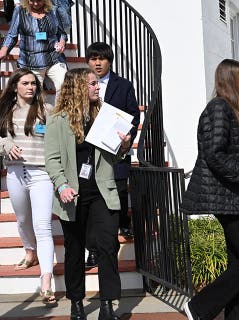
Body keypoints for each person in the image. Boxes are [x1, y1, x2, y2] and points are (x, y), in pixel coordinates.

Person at [180, 59, 239, 320]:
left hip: (233, 197)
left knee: (237, 259)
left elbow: (231, 153)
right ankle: (198, 307)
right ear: (231, 80)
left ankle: (237, 316)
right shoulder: (218, 109)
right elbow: (215, 155)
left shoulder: (229, 109)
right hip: (226, 196)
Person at [45, 68, 131, 320]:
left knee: (107, 246)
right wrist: (62, 185)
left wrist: (123, 145)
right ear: (78, 87)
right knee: (74, 250)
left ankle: (107, 305)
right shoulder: (58, 120)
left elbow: (115, 155)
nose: (97, 87)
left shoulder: (104, 116)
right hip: (72, 195)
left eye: (97, 83)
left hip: (102, 192)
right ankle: (76, 304)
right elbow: (51, 160)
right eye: (92, 84)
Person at [0, 68, 56, 305]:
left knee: (42, 225)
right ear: (15, 87)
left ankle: (46, 279)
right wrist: (5, 144)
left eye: (34, 83)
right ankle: (29, 251)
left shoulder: (47, 110)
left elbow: (58, 140)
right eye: (25, 83)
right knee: (23, 220)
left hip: (41, 173)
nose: (31, 87)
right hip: (15, 173)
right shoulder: (5, 110)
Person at [83, 41, 140, 269]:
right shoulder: (81, 84)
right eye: (93, 58)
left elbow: (134, 115)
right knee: (90, 202)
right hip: (88, 152)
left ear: (110, 60)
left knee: (116, 195)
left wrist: (125, 138)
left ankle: (116, 235)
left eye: (102, 58)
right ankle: (93, 250)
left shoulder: (123, 85)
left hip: (116, 149)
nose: (97, 63)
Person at [0, 0, 68, 96]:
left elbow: (61, 33)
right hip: (30, 61)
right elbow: (12, 35)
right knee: (34, 96)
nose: (36, 4)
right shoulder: (20, 11)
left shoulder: (53, 10)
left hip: (53, 59)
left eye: (39, 0)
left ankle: (60, 111)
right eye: (32, 0)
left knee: (65, 86)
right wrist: (4, 49)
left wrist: (62, 42)